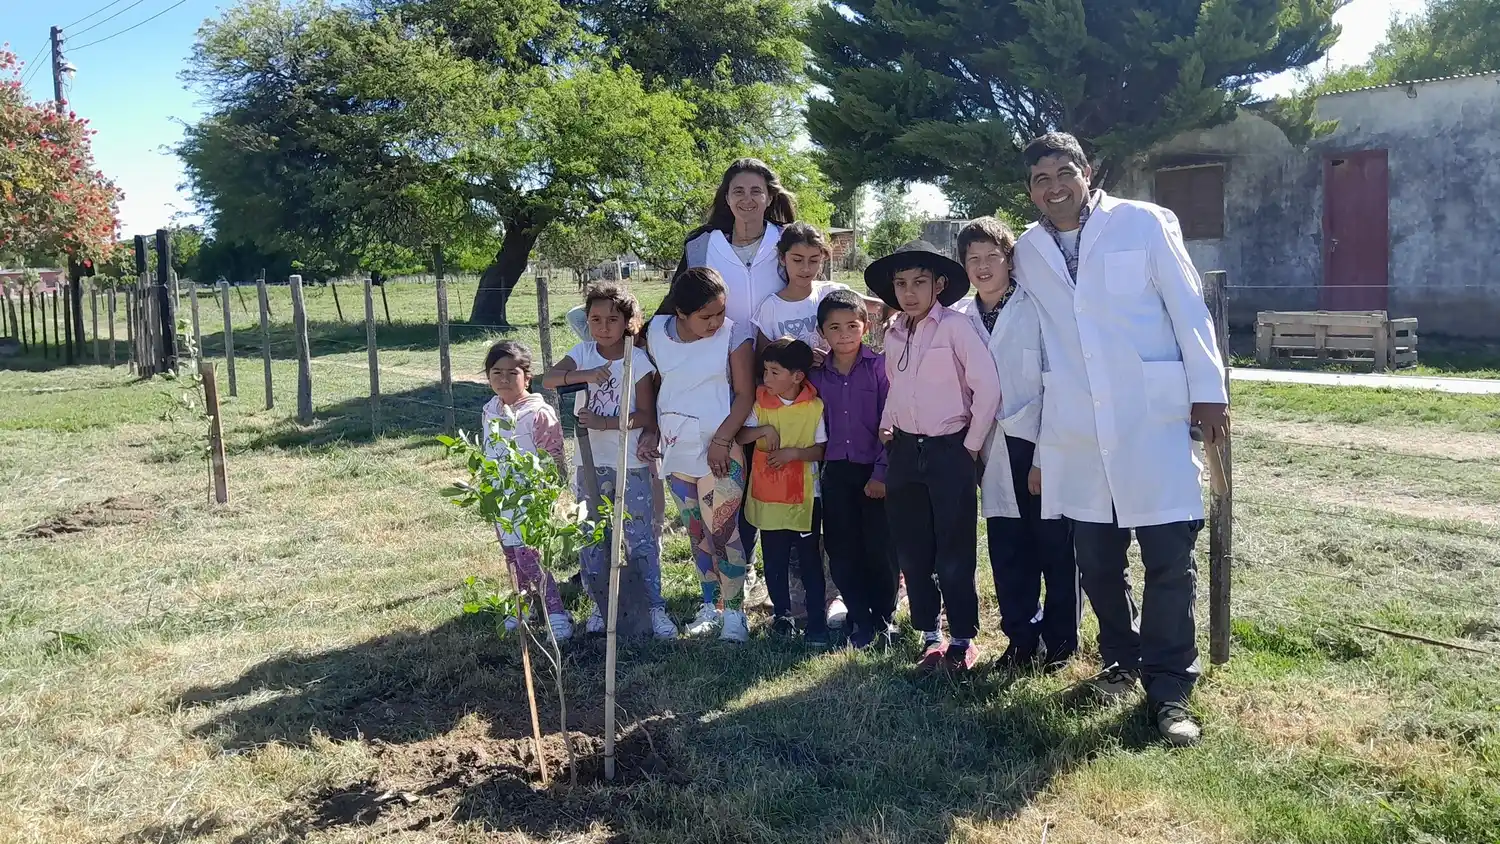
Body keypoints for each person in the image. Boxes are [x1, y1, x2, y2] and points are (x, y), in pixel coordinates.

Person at [1013, 132, 1229, 746]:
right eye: (1039, 180)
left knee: (1168, 560)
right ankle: (1121, 659)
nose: (1053, 188)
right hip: (1078, 429)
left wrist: (1207, 390)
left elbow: (1189, 307)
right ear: (1029, 190)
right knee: (1097, 563)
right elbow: (1030, 333)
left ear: (1086, 172)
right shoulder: (1029, 249)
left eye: (1063, 173)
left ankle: (1169, 691)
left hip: (1150, 419)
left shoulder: (1144, 222)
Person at [951, 217, 1080, 672]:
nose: (983, 267)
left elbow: (1056, 383)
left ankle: (1062, 643)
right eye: (973, 259)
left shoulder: (1037, 307)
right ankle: (1021, 640)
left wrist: (1045, 457)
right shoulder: (963, 318)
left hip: (1039, 440)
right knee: (1007, 550)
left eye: (993, 256)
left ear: (1010, 259)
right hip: (989, 447)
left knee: (1054, 548)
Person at [868, 241, 1002, 673]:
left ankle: (962, 637)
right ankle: (929, 633)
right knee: (912, 546)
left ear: (939, 285)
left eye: (920, 283)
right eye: (902, 283)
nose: (909, 292)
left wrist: (970, 445)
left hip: (950, 449)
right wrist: (889, 424)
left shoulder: (956, 329)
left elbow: (988, 389)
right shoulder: (893, 332)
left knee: (954, 548)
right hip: (906, 450)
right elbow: (895, 386)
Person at [541, 283, 678, 640]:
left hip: (629, 461)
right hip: (590, 462)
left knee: (638, 536)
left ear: (628, 322)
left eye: (612, 319)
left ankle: (654, 606)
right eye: (596, 319)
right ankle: (603, 606)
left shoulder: (638, 359)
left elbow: (647, 414)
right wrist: (584, 375)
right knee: (593, 536)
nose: (603, 326)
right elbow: (550, 379)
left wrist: (607, 423)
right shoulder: (583, 352)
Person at [642, 267, 758, 642]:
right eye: (705, 316)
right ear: (680, 312)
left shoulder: (734, 335)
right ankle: (712, 605)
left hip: (719, 450)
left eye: (719, 312)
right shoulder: (655, 332)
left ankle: (736, 615)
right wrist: (652, 429)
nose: (715, 322)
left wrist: (723, 439)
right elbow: (658, 382)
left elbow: (745, 394)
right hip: (676, 447)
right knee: (696, 532)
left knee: (724, 530)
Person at [808, 289, 898, 650]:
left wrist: (881, 473)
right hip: (836, 474)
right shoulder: (816, 377)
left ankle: (884, 617)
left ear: (866, 326)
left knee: (881, 549)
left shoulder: (880, 368)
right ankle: (859, 617)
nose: (844, 335)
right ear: (822, 332)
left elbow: (893, 424)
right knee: (842, 549)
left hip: (874, 474)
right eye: (834, 328)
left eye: (852, 326)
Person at [737, 339, 830, 646]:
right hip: (767, 495)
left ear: (797, 376)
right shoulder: (759, 401)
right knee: (773, 558)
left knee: (809, 560)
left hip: (804, 497)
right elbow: (742, 433)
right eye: (765, 371)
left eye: (774, 372)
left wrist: (793, 454)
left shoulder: (814, 407)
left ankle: (817, 620)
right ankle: (782, 616)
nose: (766, 378)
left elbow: (820, 450)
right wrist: (763, 431)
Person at [480, 339, 573, 642]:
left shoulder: (538, 413)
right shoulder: (490, 410)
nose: (504, 380)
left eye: (512, 373)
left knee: (530, 556)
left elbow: (554, 457)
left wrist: (548, 493)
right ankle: (522, 605)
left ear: (527, 377)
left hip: (530, 497)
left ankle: (556, 613)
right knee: (511, 555)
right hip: (500, 496)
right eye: (497, 373)